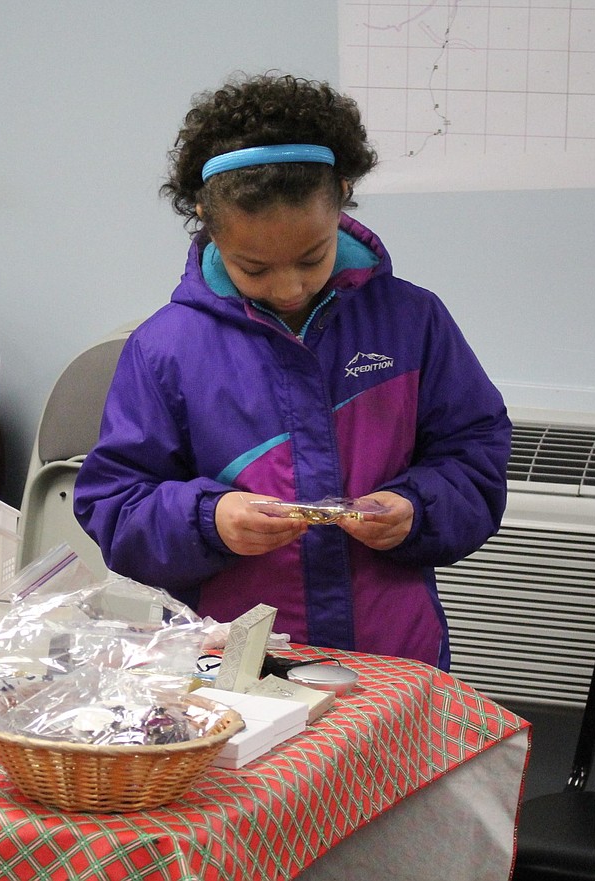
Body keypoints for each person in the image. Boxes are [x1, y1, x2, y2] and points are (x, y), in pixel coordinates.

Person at [73, 72, 510, 669]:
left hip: (392, 653)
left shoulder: (413, 321)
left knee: (392, 766)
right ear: (207, 222)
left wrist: (418, 509)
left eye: (312, 257)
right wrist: (210, 520)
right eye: (254, 268)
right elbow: (115, 505)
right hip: (237, 663)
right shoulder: (165, 349)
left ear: (342, 200)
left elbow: (474, 456)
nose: (290, 286)